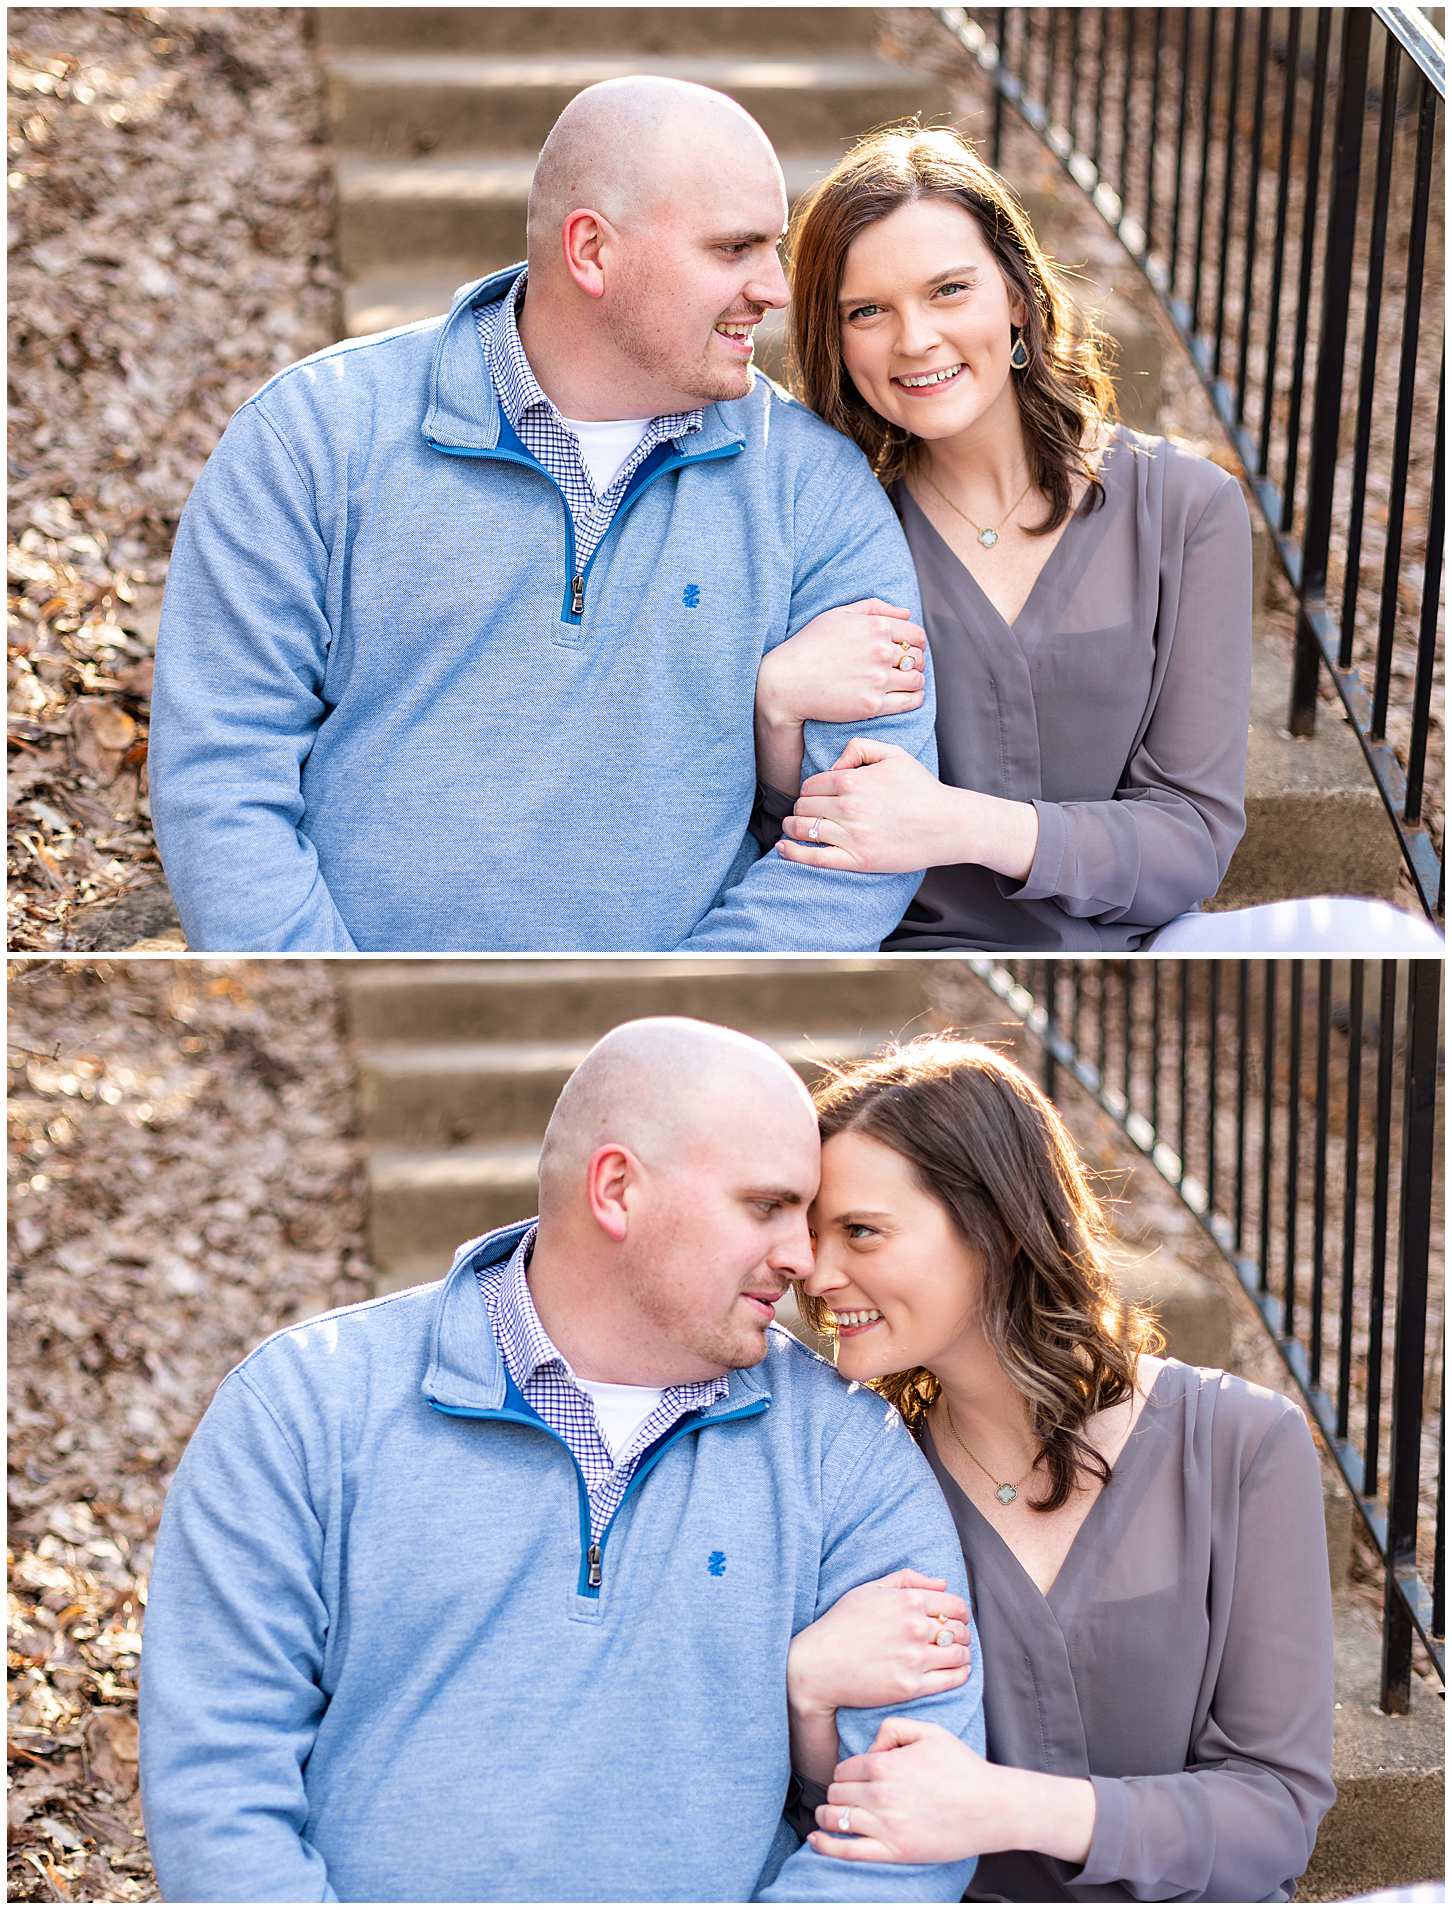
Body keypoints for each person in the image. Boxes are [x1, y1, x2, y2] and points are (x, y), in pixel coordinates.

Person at [138, 1018, 985, 1902]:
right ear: (617, 1190)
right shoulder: (309, 1406)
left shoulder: (843, 1451)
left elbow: (911, 1826)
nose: (804, 1261)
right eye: (767, 1208)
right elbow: (219, 1786)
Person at [147, 80, 936, 953]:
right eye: (733, 249)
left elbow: (862, 835)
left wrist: (668, 1014)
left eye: (773, 248)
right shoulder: (315, 437)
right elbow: (223, 772)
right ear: (591, 251)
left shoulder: (812, 487)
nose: (777, 290)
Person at [756, 124, 1444, 955]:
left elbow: (1189, 840)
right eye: (868, 311)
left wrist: (960, 824)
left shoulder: (1187, 510)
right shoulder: (830, 525)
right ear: (836, 341)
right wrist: (777, 708)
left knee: (1378, 939)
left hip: (1125, 949)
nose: (914, 340)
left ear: (1015, 297)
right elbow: (788, 837)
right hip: (891, 950)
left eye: (947, 290)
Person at [781, 1037, 1336, 1901]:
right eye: (813, 1236)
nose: (814, 1274)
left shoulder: (1241, 1444)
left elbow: (1277, 1814)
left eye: (861, 1232)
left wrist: (1006, 1807)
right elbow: (851, 1822)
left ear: (996, 1228)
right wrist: (809, 1700)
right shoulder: (862, 1480)